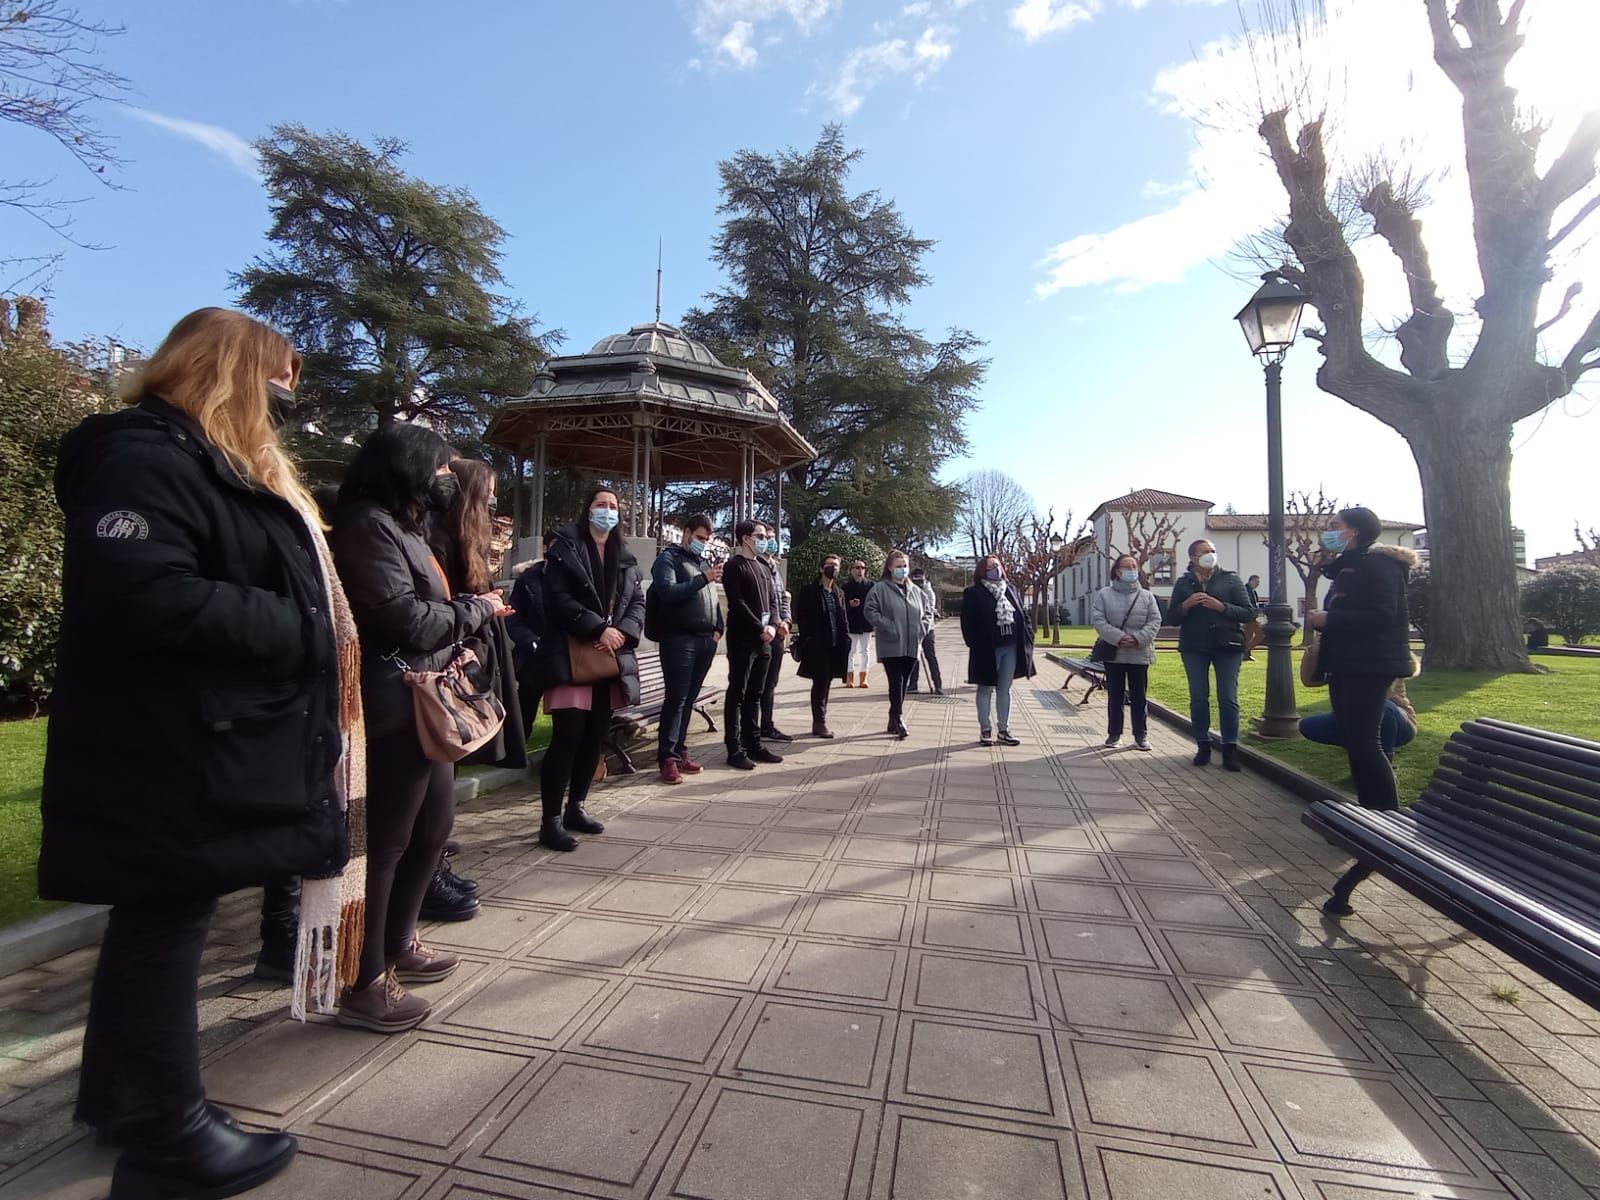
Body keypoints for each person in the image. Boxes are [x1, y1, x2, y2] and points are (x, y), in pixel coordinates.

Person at [41, 308, 351, 1194]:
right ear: (230, 371)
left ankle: (126, 1103)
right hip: (166, 747)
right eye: (276, 381)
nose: (284, 401)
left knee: (158, 918)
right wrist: (304, 623)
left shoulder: (197, 459)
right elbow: (144, 596)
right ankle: (167, 1139)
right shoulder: (145, 457)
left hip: (192, 740)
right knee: (164, 921)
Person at [333, 425, 506, 1032]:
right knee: (388, 841)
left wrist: (459, 621)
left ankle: (399, 941)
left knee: (434, 826)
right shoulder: (366, 526)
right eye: (439, 469)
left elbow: (429, 612)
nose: (446, 480)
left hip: (425, 696)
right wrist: (476, 609)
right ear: (406, 467)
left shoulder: (404, 526)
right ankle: (364, 979)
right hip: (395, 702)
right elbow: (402, 619)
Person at [422, 457, 527, 921]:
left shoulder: (462, 540)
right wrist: (480, 607)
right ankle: (426, 875)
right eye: (487, 496)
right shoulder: (435, 539)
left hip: (466, 660)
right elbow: (438, 607)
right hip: (441, 673)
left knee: (441, 789)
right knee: (432, 790)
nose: (493, 505)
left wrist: (486, 606)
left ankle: (433, 863)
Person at [1306, 507, 1419, 917]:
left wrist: (1329, 618)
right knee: (1356, 740)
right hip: (1348, 664)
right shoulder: (1351, 566)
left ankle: (1387, 821)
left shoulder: (1377, 565)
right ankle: (1371, 816)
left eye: (1334, 526)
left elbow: (1381, 615)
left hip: (1369, 665)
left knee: (1366, 742)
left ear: (1353, 531)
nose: (1328, 531)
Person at [536, 488, 646, 849]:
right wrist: (598, 628)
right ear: (587, 509)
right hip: (572, 656)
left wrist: (621, 633)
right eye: (601, 505)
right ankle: (550, 821)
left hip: (609, 658)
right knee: (567, 737)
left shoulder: (625, 557)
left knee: (595, 736)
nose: (608, 511)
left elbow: (637, 602)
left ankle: (576, 808)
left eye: (613, 506)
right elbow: (558, 598)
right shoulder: (565, 548)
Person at [1170, 539, 1256, 771]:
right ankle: (1203, 745)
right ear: (1193, 558)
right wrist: (1186, 605)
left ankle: (1230, 749)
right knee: (1199, 697)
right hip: (1194, 646)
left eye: (1213, 551)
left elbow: (1249, 612)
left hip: (1227, 645)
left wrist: (1222, 607)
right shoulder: (1184, 583)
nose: (1210, 554)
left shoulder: (1230, 579)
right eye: (1205, 552)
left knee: (1228, 697)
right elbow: (1172, 617)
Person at [651, 514, 725, 784]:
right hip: (679, 639)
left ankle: (680, 750)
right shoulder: (668, 560)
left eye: (706, 539)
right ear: (687, 533)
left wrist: (718, 628)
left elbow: (712, 600)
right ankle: (667, 758)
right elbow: (668, 592)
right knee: (677, 698)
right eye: (699, 537)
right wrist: (703, 578)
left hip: (705, 640)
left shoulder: (701, 563)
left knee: (689, 698)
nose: (702, 543)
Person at [722, 519, 784, 768]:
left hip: (765, 640)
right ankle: (734, 748)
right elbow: (737, 603)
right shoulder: (734, 566)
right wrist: (760, 627)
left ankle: (754, 744)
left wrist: (773, 625)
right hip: (743, 639)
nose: (765, 540)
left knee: (756, 693)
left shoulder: (763, 566)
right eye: (760, 536)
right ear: (746, 538)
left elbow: (773, 600)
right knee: (738, 692)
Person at [960, 554, 1035, 746]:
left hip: (1011, 646)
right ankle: (985, 729)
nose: (996, 569)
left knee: (1005, 689)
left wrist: (1029, 634)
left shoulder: (1010, 589)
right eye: (991, 567)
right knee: (985, 688)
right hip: (987, 649)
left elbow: (1023, 614)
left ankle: (1004, 730)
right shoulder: (973, 593)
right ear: (982, 571)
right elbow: (967, 622)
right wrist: (974, 644)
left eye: (998, 565)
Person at [1090, 554, 1163, 750]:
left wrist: (1138, 638)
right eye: (1127, 567)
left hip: (1139, 654)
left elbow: (1155, 620)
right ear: (1117, 571)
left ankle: (1141, 735)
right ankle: (1114, 734)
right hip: (1115, 654)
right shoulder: (1104, 595)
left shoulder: (1146, 596)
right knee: (1115, 696)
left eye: (1134, 566)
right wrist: (1119, 637)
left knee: (1139, 696)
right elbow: (1099, 620)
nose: (1132, 570)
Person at [866, 550, 924, 739]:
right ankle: (898, 717)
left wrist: (922, 629)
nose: (902, 569)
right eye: (898, 566)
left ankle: (893, 716)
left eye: (905, 566)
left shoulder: (916, 590)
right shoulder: (880, 589)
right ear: (890, 568)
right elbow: (870, 610)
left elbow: (927, 613)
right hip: (891, 644)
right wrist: (888, 626)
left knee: (904, 681)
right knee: (896, 681)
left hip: (912, 644)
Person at [506, 531, 558, 740]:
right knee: (525, 708)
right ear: (545, 548)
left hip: (563, 656)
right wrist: (531, 642)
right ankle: (516, 746)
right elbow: (513, 618)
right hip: (532, 657)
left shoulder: (575, 579)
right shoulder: (527, 580)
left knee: (567, 716)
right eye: (555, 546)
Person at [793, 553, 851, 737]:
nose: (833, 568)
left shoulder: (838, 592)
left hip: (835, 646)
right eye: (829, 564)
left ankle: (820, 720)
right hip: (817, 646)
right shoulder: (810, 591)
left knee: (827, 682)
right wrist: (809, 638)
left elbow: (843, 618)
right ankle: (819, 722)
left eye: (836, 565)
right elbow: (802, 617)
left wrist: (846, 638)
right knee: (820, 682)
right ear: (821, 568)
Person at [1299, 680, 1417, 761]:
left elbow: (1382, 691)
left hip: (1398, 720)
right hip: (1352, 717)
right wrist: (1314, 652)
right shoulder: (1339, 657)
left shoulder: (1384, 656)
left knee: (1381, 705)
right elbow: (1310, 680)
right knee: (1307, 725)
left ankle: (1384, 760)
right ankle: (1357, 746)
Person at [757, 526, 795, 743]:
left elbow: (782, 599)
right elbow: (762, 602)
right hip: (765, 633)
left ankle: (767, 725)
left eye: (772, 538)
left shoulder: (774, 568)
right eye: (766, 538)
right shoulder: (755, 566)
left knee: (771, 683)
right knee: (758, 684)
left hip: (779, 634)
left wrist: (786, 621)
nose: (771, 542)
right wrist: (774, 622)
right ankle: (752, 728)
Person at [907, 567, 944, 695]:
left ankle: (938, 685)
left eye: (920, 580)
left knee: (930, 656)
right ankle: (913, 684)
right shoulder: (909, 589)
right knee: (914, 657)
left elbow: (928, 610)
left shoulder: (928, 592)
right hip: (912, 628)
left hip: (927, 629)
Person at [843, 559, 875, 688]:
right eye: (857, 568)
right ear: (852, 570)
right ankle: (849, 677)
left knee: (865, 651)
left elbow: (875, 603)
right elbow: (841, 605)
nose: (860, 570)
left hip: (866, 622)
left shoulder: (871, 586)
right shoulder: (846, 587)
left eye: (862, 568)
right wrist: (849, 604)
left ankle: (863, 677)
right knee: (850, 651)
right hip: (851, 623)